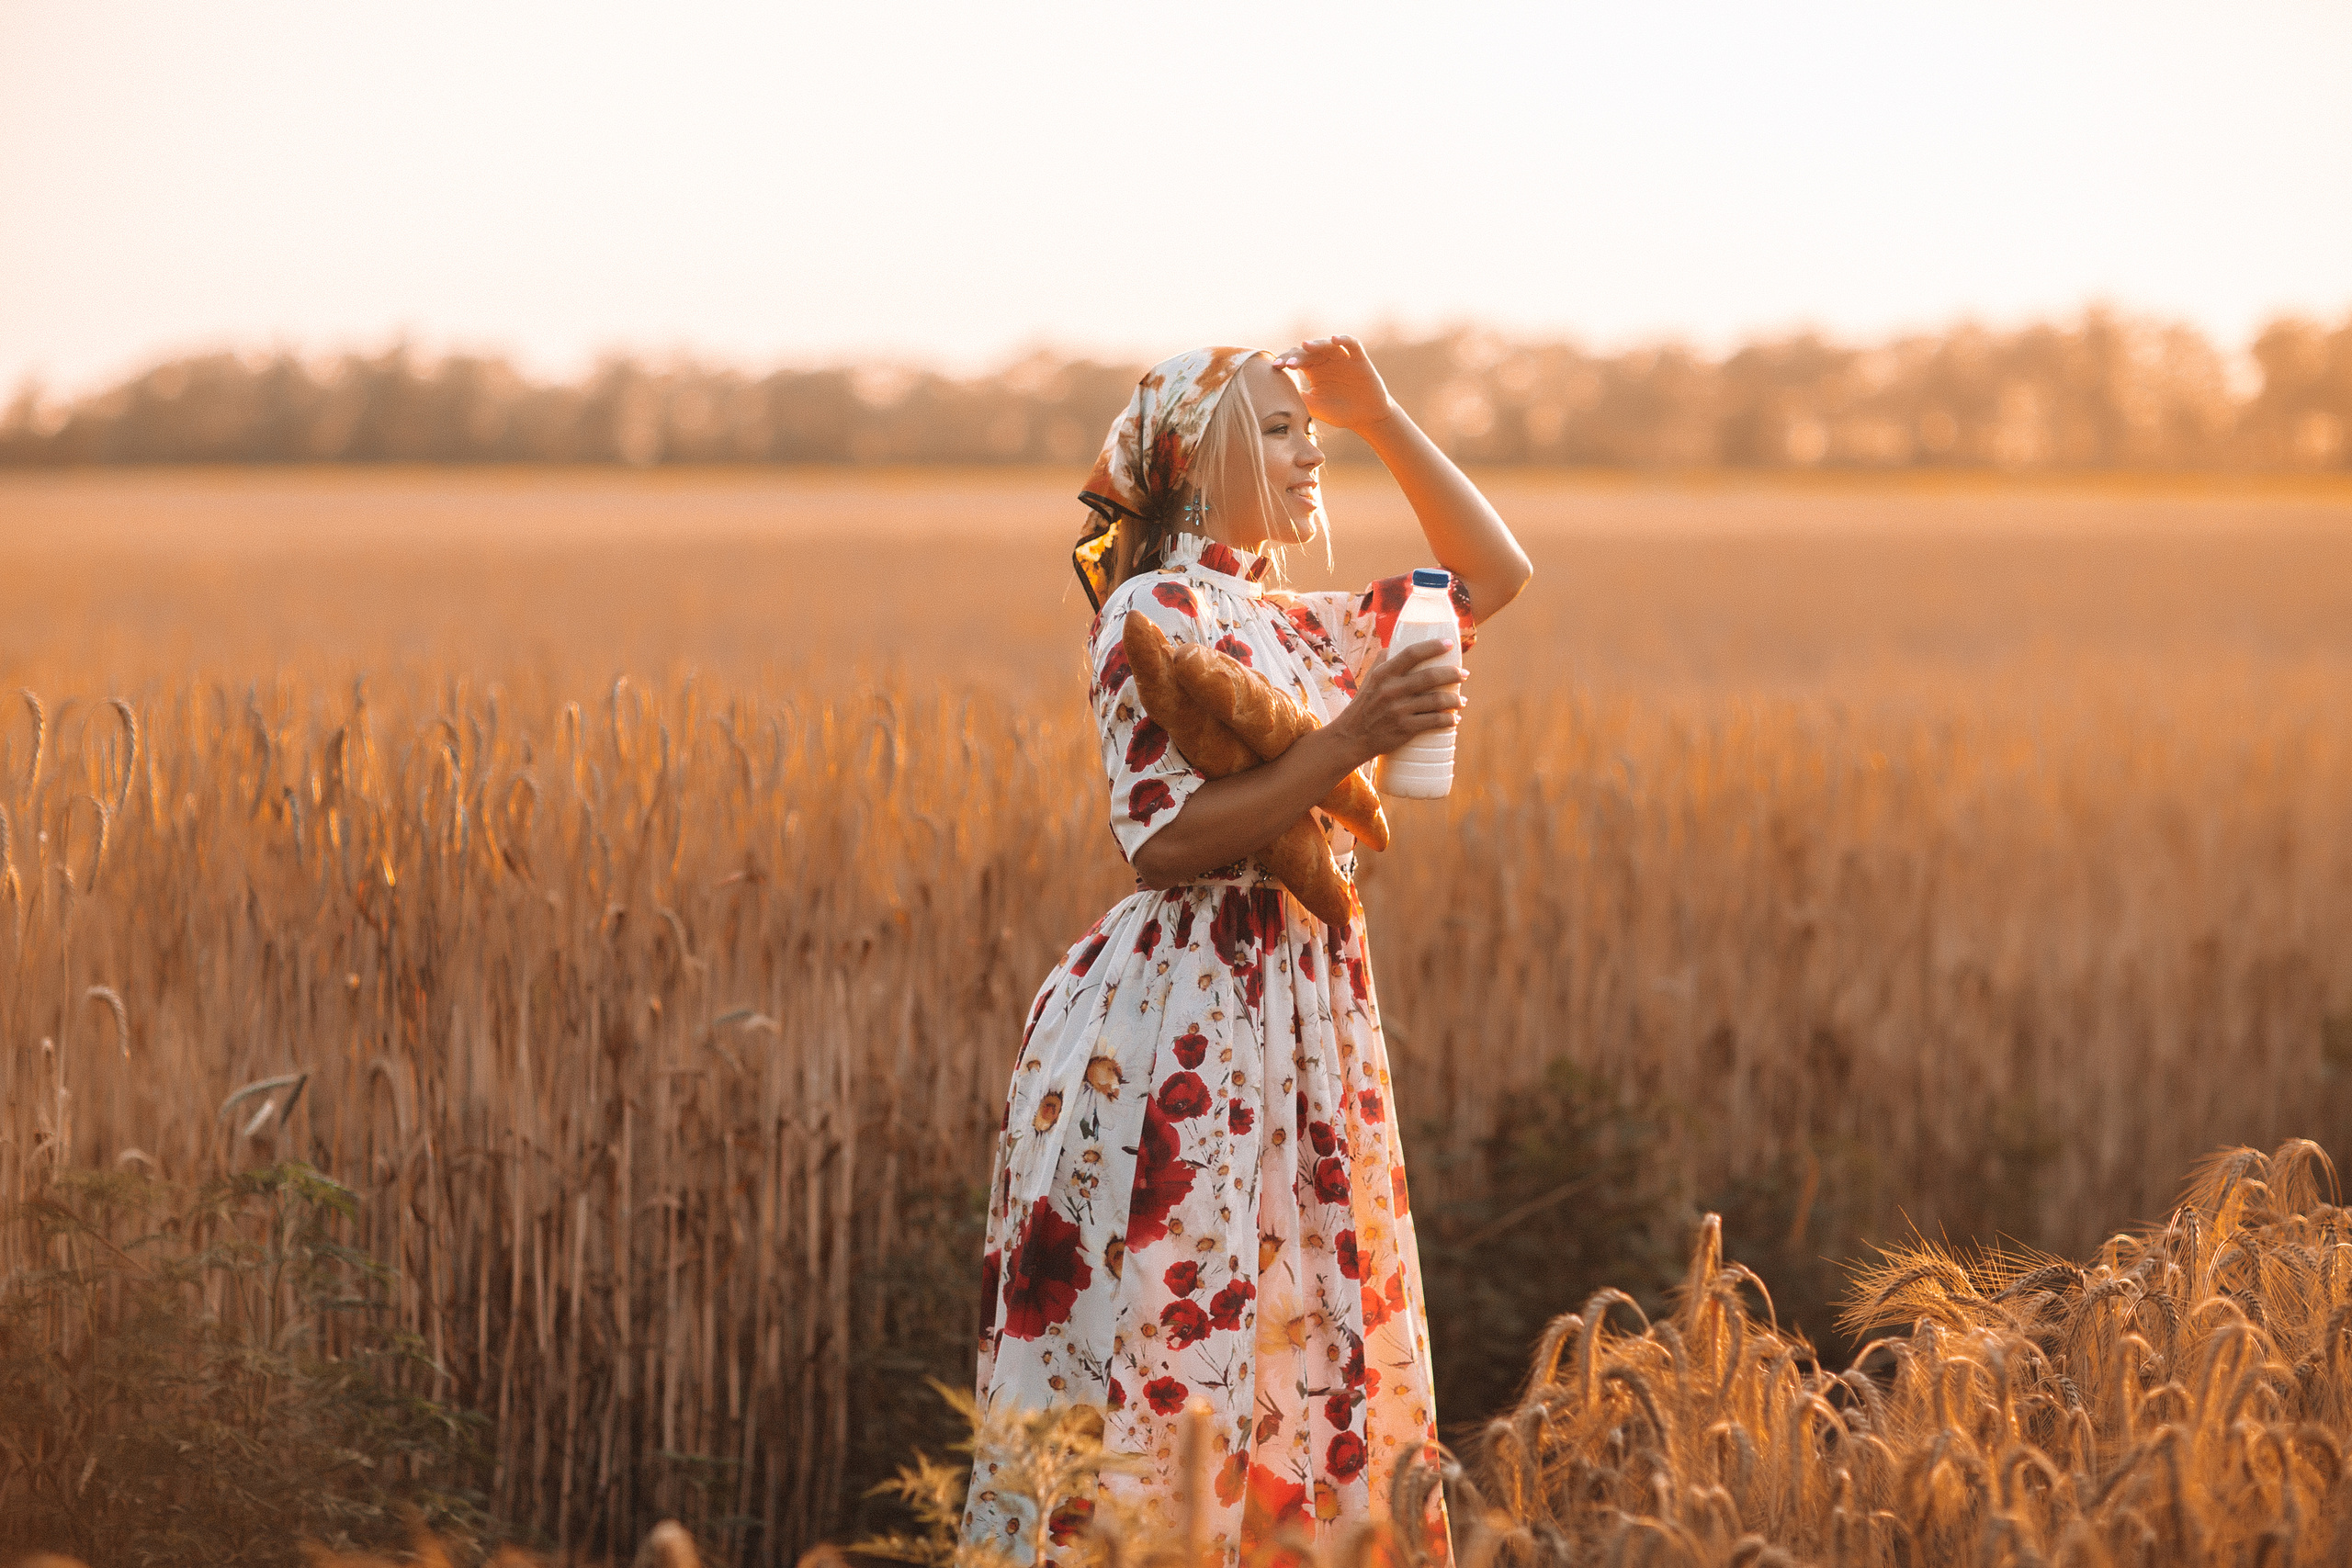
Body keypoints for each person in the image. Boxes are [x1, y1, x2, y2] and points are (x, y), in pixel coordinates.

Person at [966, 338, 1532, 1563]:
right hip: (1190, 1020)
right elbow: (1164, 841)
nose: (1308, 450)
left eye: (1307, 430)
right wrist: (1351, 739)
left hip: (1302, 1012)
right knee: (1179, 1333)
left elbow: (1494, 574)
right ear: (1191, 459)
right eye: (1275, 430)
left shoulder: (1285, 621)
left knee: (1302, 1322)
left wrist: (1381, 414)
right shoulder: (1152, 610)